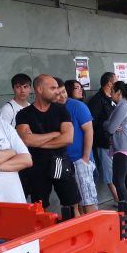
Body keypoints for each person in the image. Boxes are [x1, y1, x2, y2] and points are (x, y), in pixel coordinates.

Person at [15, 74, 80, 212]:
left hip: (61, 163)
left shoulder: (62, 110)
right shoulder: (24, 114)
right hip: (36, 168)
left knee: (73, 206)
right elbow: (26, 140)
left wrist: (37, 142)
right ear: (39, 89)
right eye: (52, 88)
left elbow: (68, 138)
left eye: (57, 87)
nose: (57, 91)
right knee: (41, 209)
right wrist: (54, 134)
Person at [61, 80, 99, 214]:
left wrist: (85, 157)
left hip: (80, 159)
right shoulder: (54, 107)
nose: (60, 95)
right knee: (74, 202)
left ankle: (95, 229)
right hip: (64, 161)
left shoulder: (78, 106)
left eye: (62, 91)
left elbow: (89, 130)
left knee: (88, 200)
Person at [104, 81, 127, 212]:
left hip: (122, 146)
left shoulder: (122, 106)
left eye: (112, 91)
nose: (110, 94)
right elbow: (109, 125)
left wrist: (108, 124)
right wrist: (108, 124)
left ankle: (126, 209)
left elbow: (111, 128)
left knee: (118, 180)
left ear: (119, 92)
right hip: (124, 146)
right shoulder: (121, 105)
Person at [88, 72, 120, 204]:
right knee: (109, 172)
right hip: (105, 142)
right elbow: (92, 123)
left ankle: (123, 197)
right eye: (116, 81)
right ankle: (119, 200)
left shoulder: (113, 99)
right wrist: (109, 126)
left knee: (119, 171)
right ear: (109, 83)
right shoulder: (97, 100)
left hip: (117, 141)